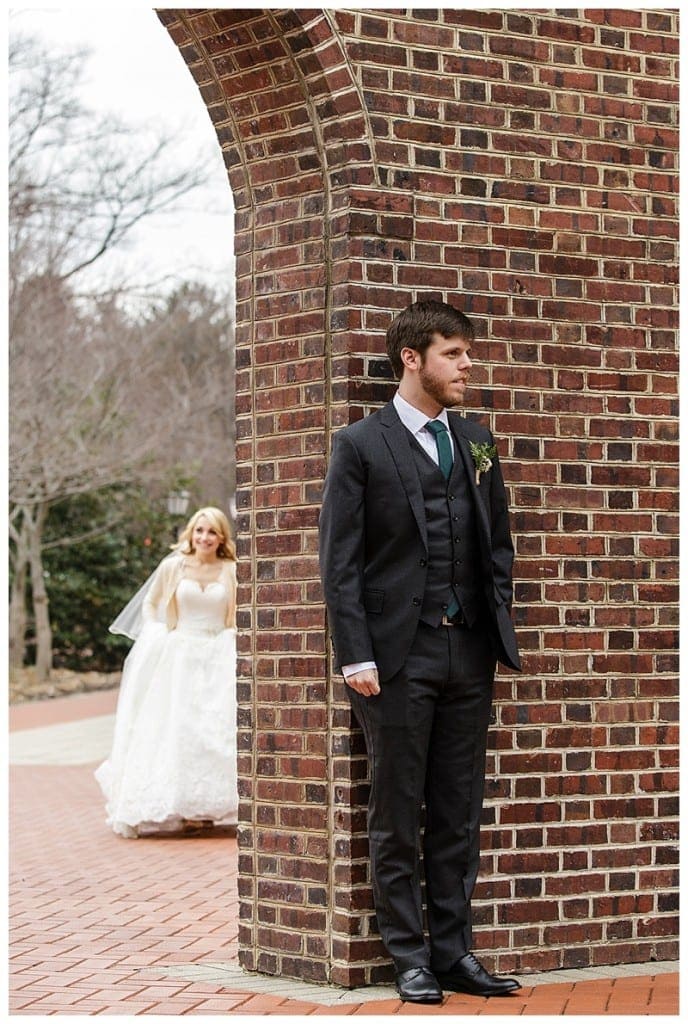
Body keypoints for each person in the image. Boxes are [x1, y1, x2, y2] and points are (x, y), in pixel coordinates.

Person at [319, 300, 522, 1004]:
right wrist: (357, 655)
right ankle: (408, 956)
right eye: (455, 353)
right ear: (413, 358)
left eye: (467, 354)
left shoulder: (476, 440)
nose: (468, 366)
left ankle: (453, 951)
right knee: (398, 811)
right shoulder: (360, 445)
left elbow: (497, 545)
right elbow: (339, 563)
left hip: (468, 650)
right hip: (395, 661)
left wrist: (495, 624)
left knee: (458, 809)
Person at [95, 506, 239, 838]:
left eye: (212, 532)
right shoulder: (173, 567)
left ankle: (210, 807)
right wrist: (156, 631)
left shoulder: (231, 570)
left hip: (218, 651)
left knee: (214, 728)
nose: (204, 537)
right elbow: (150, 602)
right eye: (199, 530)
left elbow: (240, 607)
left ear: (221, 538)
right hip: (181, 653)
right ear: (190, 533)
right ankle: (182, 805)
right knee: (177, 727)